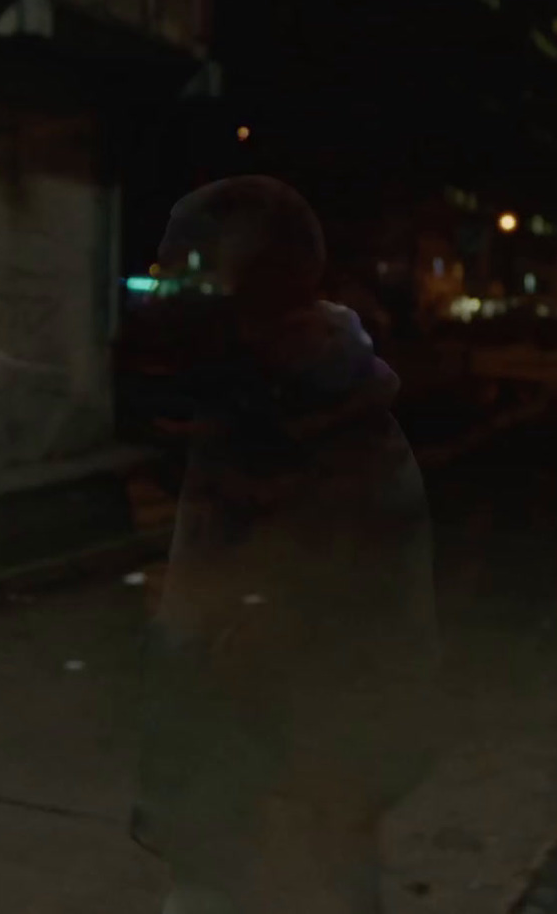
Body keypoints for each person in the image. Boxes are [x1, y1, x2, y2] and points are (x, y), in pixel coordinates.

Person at [133, 177, 442, 914]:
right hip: (235, 825)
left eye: (191, 274)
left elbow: (352, 666)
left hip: (279, 839)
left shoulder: (325, 436)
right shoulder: (249, 410)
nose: (168, 294)